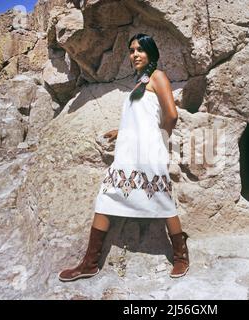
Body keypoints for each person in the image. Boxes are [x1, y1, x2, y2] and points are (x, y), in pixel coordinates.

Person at [58, 33, 190, 282]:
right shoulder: (139, 83)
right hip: (127, 154)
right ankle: (90, 263)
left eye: (140, 49)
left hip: (148, 152)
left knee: (163, 202)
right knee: (106, 199)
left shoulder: (157, 76)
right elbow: (142, 117)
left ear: (151, 52)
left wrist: (157, 139)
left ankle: (181, 257)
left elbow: (171, 115)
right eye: (131, 50)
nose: (135, 54)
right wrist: (121, 132)